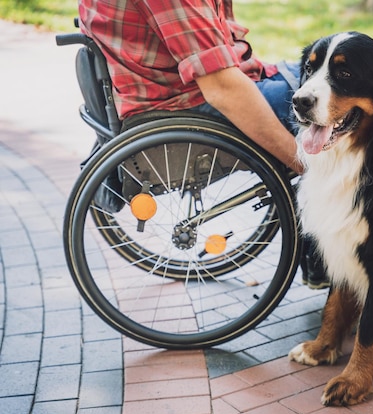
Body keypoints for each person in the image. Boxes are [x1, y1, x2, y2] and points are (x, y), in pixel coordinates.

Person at [78, 0, 329, 289]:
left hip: (189, 89)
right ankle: (333, 261)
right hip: (190, 103)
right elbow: (222, 87)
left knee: (324, 69)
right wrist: (303, 164)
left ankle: (321, 260)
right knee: (339, 100)